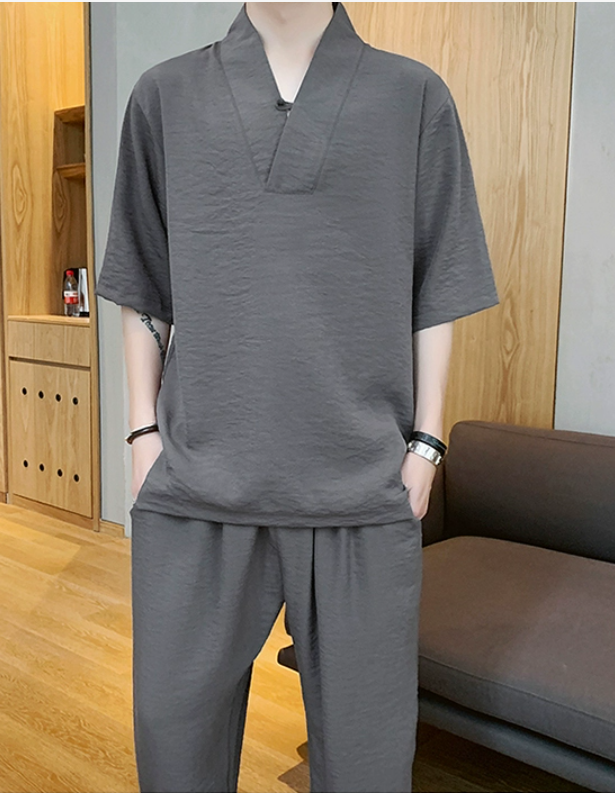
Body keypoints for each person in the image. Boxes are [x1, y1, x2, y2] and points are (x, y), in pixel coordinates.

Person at [95, 3, 500, 792]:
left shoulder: (413, 97)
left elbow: (438, 283)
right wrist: (143, 433)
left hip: (361, 488)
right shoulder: (163, 96)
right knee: (175, 750)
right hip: (197, 483)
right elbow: (142, 276)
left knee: (367, 763)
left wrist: (425, 445)